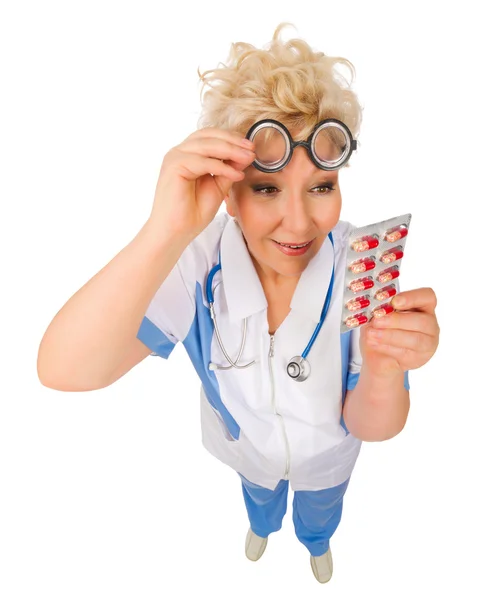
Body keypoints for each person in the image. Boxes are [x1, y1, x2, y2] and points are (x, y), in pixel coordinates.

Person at [37, 23, 440, 584]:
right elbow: (63, 371)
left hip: (328, 460)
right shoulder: (196, 264)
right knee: (259, 494)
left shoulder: (360, 266)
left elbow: (375, 425)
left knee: (322, 509)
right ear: (228, 188)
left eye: (321, 186)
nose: (299, 224)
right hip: (247, 451)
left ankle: (316, 541)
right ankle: (261, 526)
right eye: (267, 188)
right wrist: (165, 228)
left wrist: (386, 364)